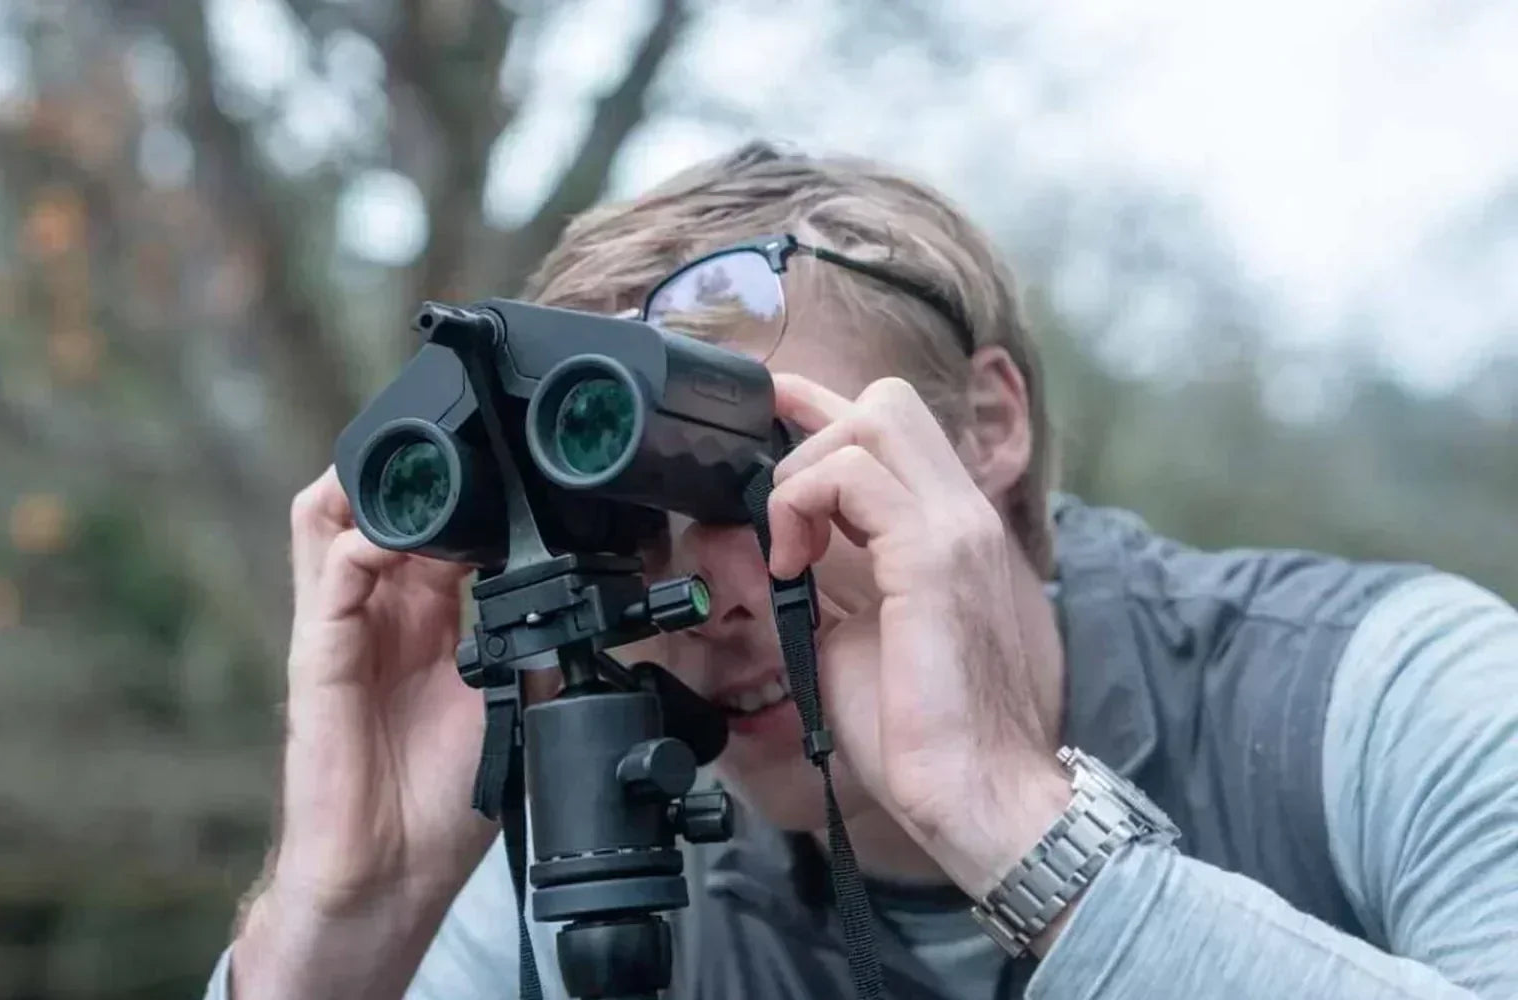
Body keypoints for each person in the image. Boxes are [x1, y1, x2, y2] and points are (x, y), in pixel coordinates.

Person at [204, 143, 1518, 999]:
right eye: (627, 524)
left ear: (988, 425)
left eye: (751, 477)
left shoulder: (1384, 696)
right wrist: (342, 917)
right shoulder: (584, 857)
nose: (711, 594)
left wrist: (1021, 829)